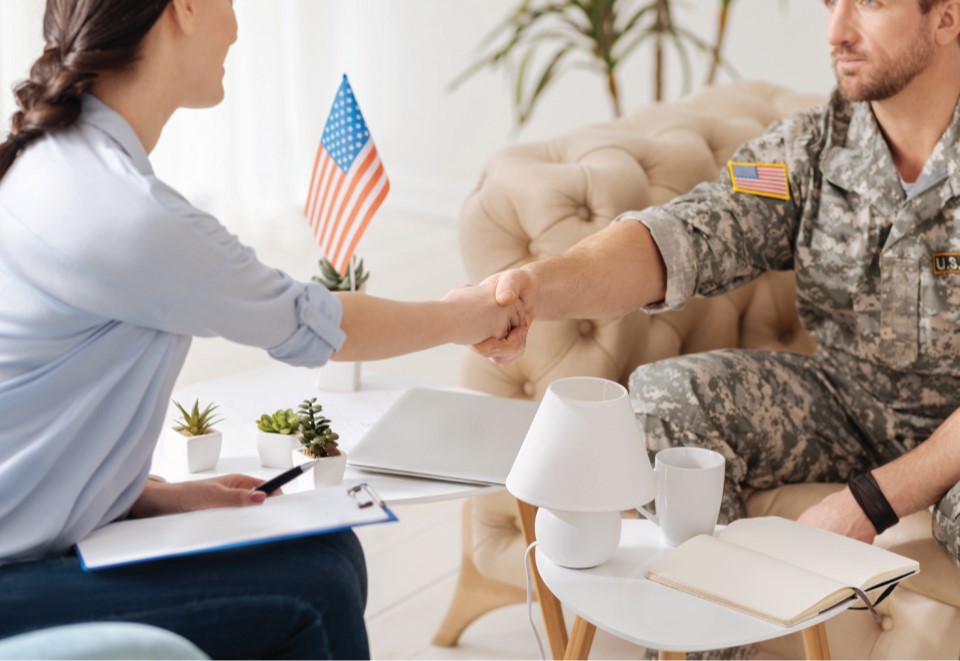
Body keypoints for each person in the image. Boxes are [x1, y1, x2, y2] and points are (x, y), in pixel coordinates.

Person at [0, 0, 522, 659]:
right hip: (14, 577)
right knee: (317, 588)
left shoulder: (61, 163)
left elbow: (34, 413)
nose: (239, 24)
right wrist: (475, 312)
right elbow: (321, 325)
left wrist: (149, 496)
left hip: (22, 544)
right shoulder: (123, 211)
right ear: (183, 9)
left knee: (329, 548)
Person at [478, 0, 960, 567]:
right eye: (831, 2)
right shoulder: (803, 150)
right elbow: (689, 231)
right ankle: (713, 641)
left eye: (871, 4)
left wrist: (870, 501)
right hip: (846, 402)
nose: (836, 31)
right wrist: (536, 286)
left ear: (946, 18)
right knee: (663, 400)